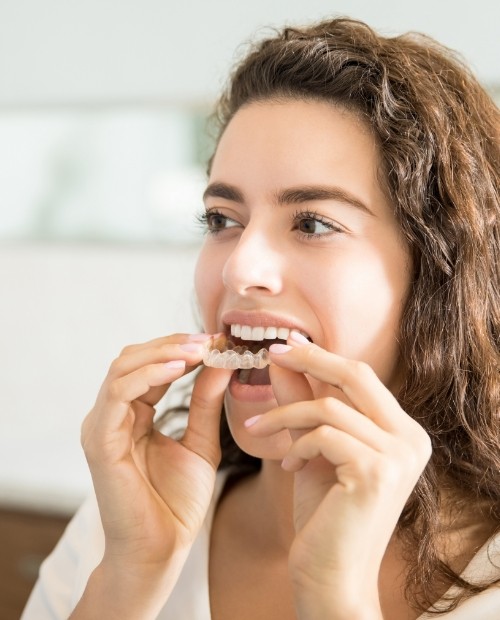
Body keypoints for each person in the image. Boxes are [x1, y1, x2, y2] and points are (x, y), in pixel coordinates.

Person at [22, 16, 499, 620]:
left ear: (438, 275)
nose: (239, 267)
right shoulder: (120, 528)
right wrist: (131, 575)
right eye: (223, 219)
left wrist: (335, 597)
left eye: (314, 223)